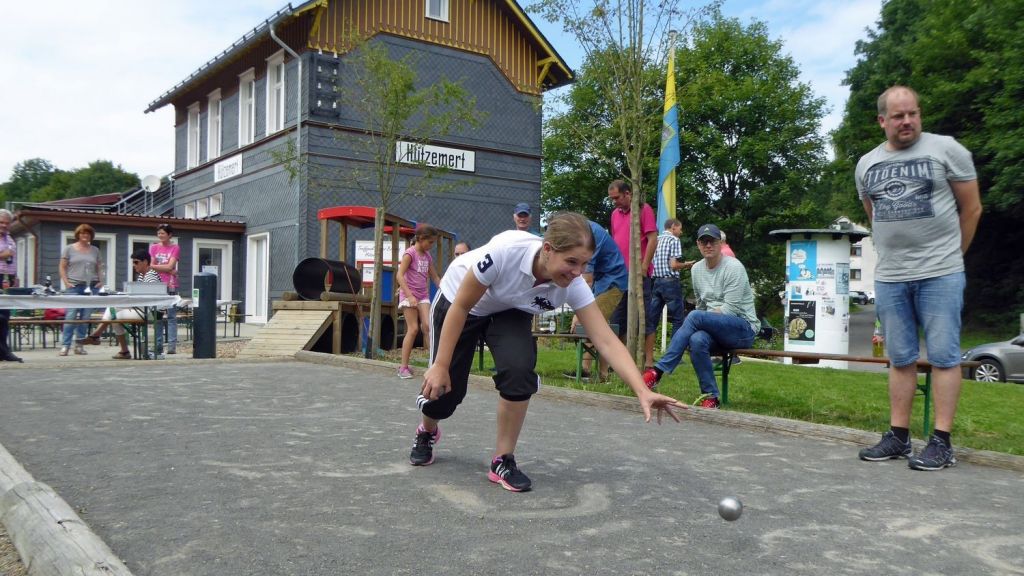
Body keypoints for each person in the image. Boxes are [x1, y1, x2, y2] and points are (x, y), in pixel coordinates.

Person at [409, 212, 687, 492]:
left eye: (584, 264)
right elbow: (461, 306)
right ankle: (427, 431)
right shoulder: (505, 253)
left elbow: (605, 340)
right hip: (459, 302)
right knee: (445, 392)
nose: (578, 272)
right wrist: (440, 365)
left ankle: (503, 459)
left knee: (519, 371)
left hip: (508, 307)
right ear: (547, 249)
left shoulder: (572, 284)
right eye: (571, 262)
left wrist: (641, 390)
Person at [855, 85, 981, 471]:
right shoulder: (866, 165)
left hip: (941, 273)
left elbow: (972, 209)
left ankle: (941, 443)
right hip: (891, 276)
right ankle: (899, 437)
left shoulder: (947, 149)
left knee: (944, 357)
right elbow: (875, 216)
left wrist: (952, 258)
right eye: (898, 116)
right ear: (882, 121)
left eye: (913, 113)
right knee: (900, 358)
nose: (907, 121)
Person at [642, 224, 759, 409]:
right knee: (697, 340)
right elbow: (702, 305)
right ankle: (711, 397)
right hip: (715, 330)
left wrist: (701, 317)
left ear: (720, 243)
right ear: (698, 244)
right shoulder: (696, 269)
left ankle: (657, 371)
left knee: (695, 316)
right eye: (704, 242)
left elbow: (731, 310)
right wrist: (701, 318)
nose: (708, 245)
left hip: (743, 329)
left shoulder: (734, 267)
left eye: (712, 241)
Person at [563, 219, 628, 382]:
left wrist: (578, 313)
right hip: (602, 281)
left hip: (613, 282)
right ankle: (594, 372)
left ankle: (599, 373)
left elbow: (587, 280)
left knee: (594, 323)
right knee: (599, 325)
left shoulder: (590, 236)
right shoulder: (584, 231)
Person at [77, 249, 163, 359]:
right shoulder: (143, 275)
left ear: (145, 262)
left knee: (112, 313)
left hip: (150, 312)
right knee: (112, 311)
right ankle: (116, 347)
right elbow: (138, 296)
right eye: (133, 262)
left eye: (136, 262)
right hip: (142, 308)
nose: (133, 265)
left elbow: (150, 299)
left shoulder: (151, 276)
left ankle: (102, 338)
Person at [607, 180, 658, 350]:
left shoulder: (643, 210)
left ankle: (648, 360)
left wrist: (644, 266)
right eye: (612, 199)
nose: (614, 202)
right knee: (617, 319)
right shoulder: (614, 214)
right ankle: (622, 357)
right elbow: (615, 242)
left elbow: (652, 239)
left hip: (638, 274)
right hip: (619, 275)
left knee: (645, 319)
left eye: (617, 197)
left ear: (628, 193)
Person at [644, 218, 694, 368]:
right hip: (670, 282)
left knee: (652, 320)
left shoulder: (656, 239)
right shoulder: (674, 240)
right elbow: (673, 265)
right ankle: (674, 356)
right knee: (678, 319)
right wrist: (686, 265)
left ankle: (647, 356)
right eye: (680, 228)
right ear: (673, 227)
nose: (681, 232)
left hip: (656, 282)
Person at [397, 224, 443, 379]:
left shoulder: (427, 256)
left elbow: (434, 276)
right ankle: (403, 367)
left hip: (423, 295)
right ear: (421, 239)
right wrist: (409, 296)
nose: (431, 246)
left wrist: (445, 289)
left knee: (428, 327)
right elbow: (399, 275)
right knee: (413, 329)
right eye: (430, 242)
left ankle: (434, 365)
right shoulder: (410, 254)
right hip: (409, 295)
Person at [59, 223, 104, 356]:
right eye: (83, 233)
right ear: (78, 235)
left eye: (88, 233)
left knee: (85, 317)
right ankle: (65, 345)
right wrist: (66, 282)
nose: (85, 235)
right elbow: (62, 266)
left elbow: (99, 267)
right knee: (71, 315)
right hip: (74, 286)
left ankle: (79, 345)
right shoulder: (69, 249)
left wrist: (101, 281)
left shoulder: (95, 250)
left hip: (91, 286)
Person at [150, 223, 180, 354]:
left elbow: (170, 266)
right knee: (158, 316)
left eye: (163, 233)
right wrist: (167, 268)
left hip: (171, 285)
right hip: (156, 284)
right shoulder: (154, 247)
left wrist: (165, 268)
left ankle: (172, 346)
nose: (160, 235)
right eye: (159, 233)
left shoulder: (175, 248)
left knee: (171, 316)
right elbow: (151, 265)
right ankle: (158, 346)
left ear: (169, 235)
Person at [0, 209, 22, 362]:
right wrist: (3, 255)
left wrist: (15, 277)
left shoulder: (9, 238)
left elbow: (12, 260)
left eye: (7, 223)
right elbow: (7, 255)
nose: (4, 225)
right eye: (1, 222)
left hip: (6, 279)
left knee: (4, 317)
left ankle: (4, 351)